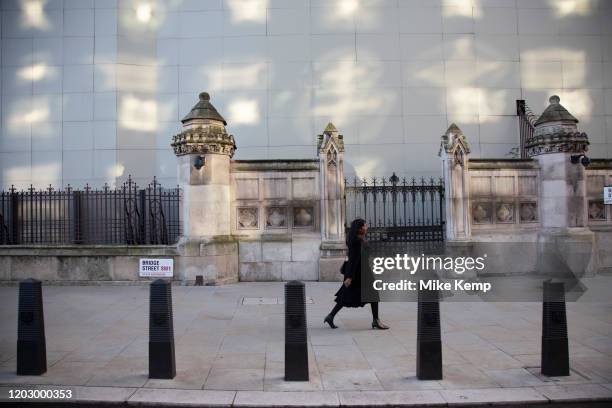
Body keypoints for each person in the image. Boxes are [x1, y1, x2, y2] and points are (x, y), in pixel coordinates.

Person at [324, 218, 389, 330]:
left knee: (346, 296)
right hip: (359, 273)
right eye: (365, 225)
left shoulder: (358, 239)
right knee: (371, 295)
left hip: (360, 272)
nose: (367, 226)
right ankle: (376, 321)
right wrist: (350, 277)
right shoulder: (357, 241)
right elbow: (354, 259)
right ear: (360, 228)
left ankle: (330, 316)